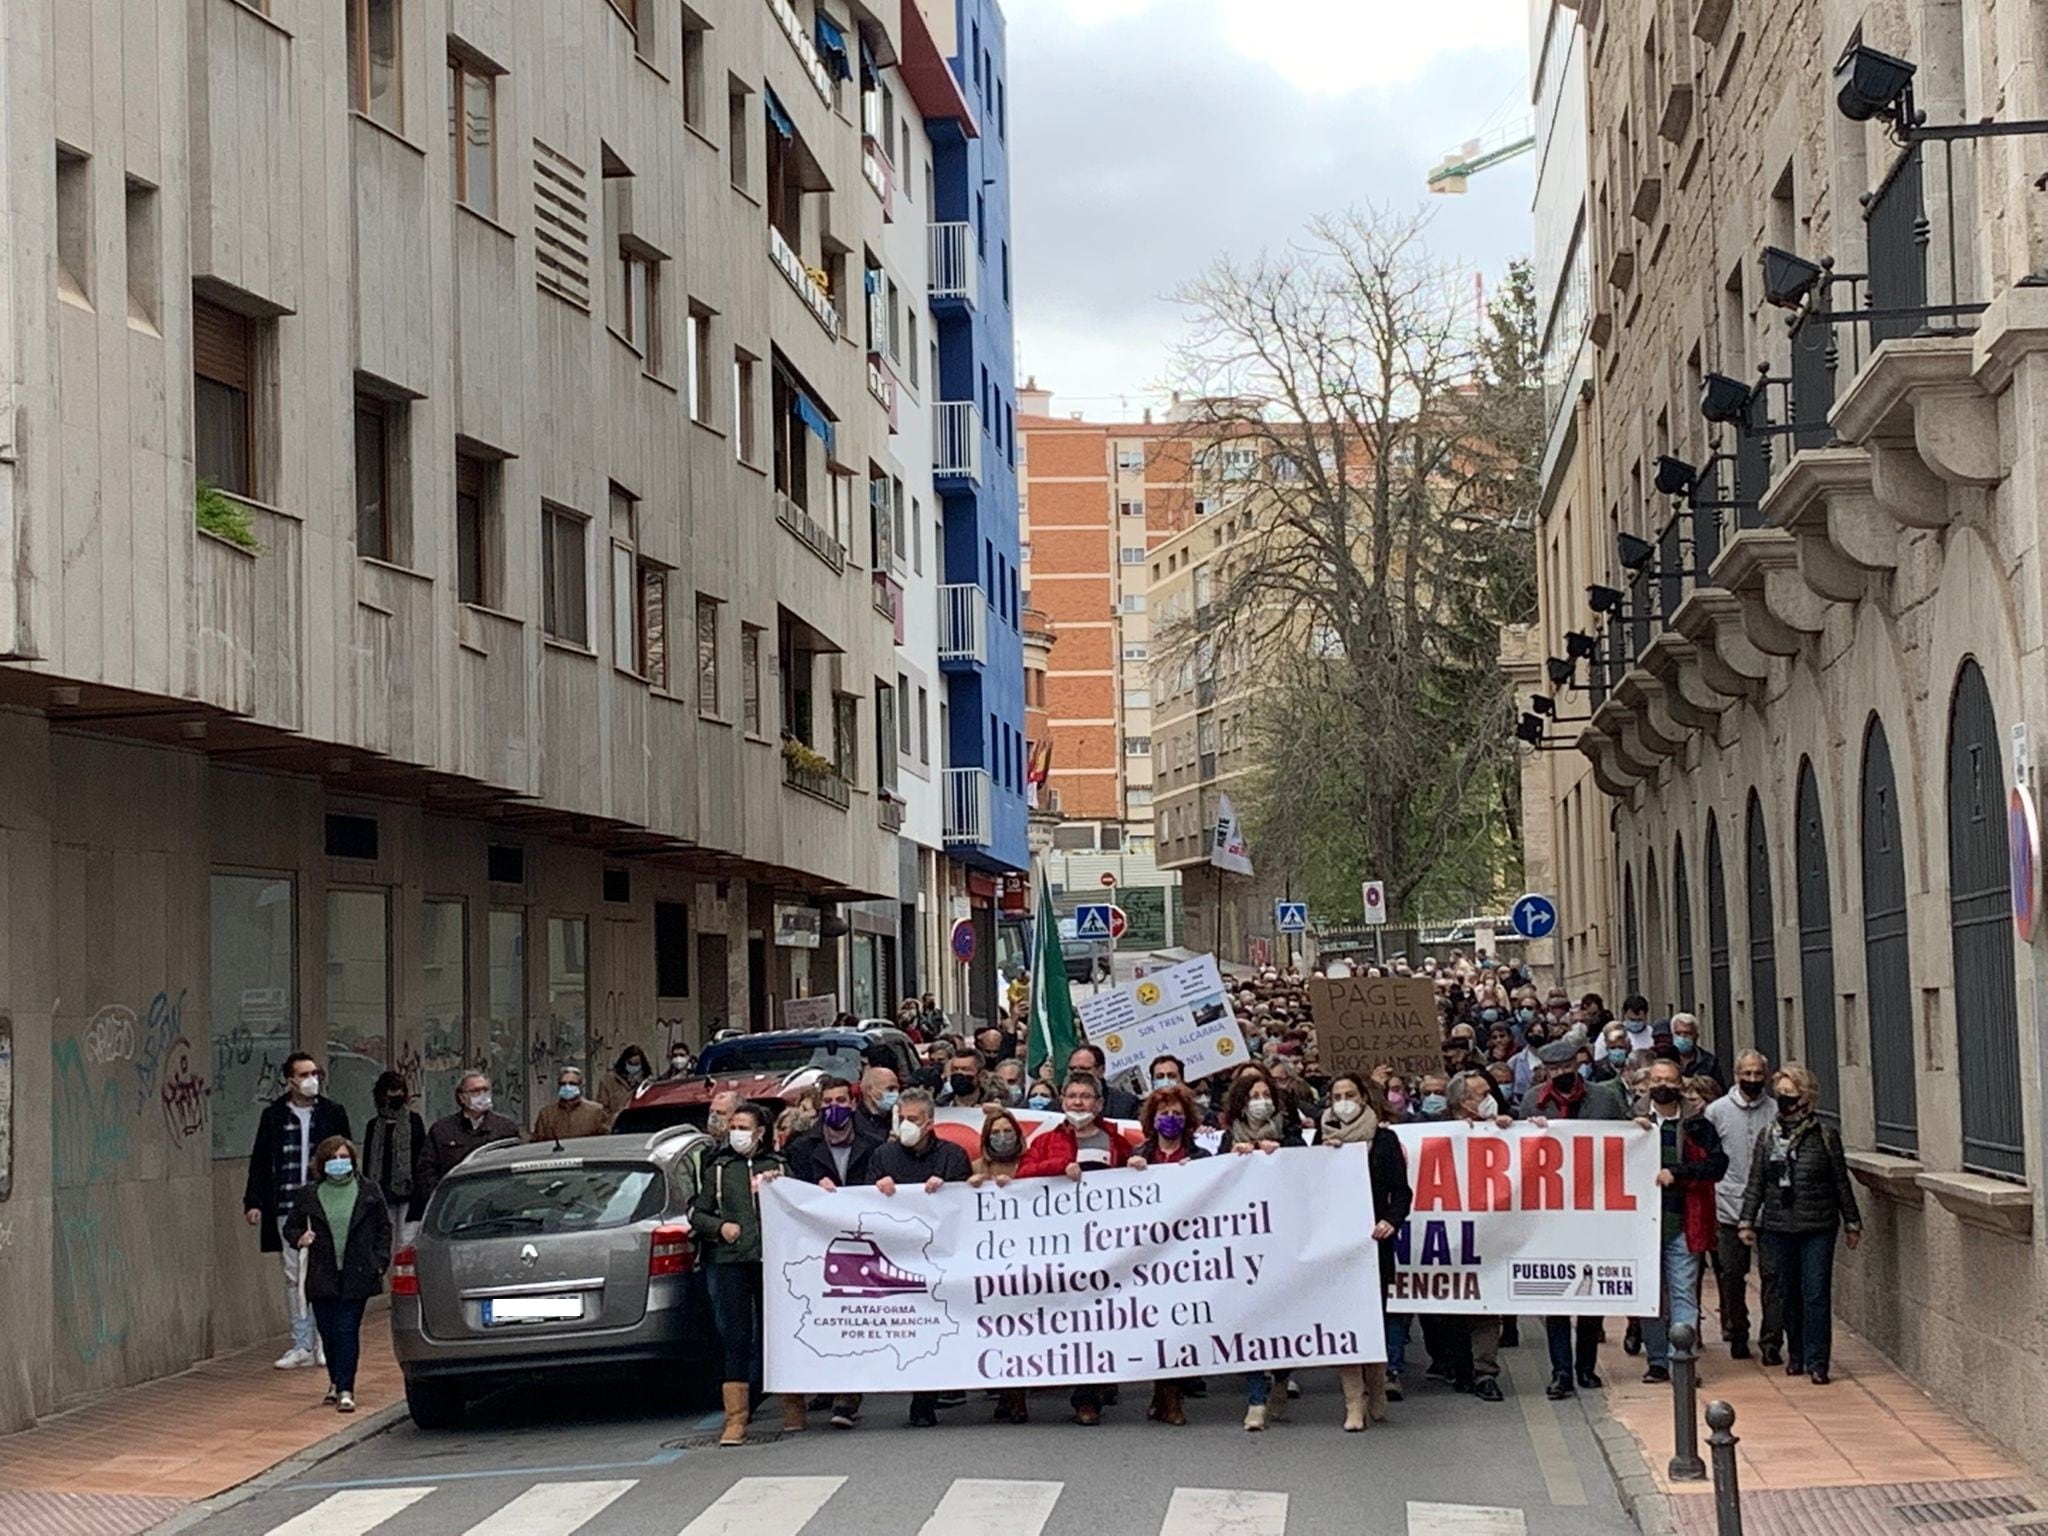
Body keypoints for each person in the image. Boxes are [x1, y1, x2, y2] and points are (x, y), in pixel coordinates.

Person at [1522, 1034, 1630, 1400]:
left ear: (1579, 1064)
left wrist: (1639, 1131)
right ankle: (1561, 1371)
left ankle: (1586, 1366)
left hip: (1593, 1210)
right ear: (1546, 1071)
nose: (1562, 1073)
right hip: (1550, 1214)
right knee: (1555, 1298)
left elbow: (1625, 1144)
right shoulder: (1531, 1101)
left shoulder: (1605, 1099)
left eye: (1568, 1067)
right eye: (1555, 1069)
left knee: (1590, 1293)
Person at [1739, 1066, 1861, 1385]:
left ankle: (1818, 1360)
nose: (1784, 1100)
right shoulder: (1768, 1136)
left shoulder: (1825, 1136)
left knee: (1816, 1292)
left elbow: (1840, 1181)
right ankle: (1796, 1354)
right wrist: (1747, 1220)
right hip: (1778, 1226)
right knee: (1787, 1292)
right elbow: (1757, 1182)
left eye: (1790, 1094)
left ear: (1806, 1097)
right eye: (1780, 1093)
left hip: (1817, 1224)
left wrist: (1852, 1221)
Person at [1016, 1073, 1128, 1424]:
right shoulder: (1047, 1140)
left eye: (1085, 1097)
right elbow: (1024, 1175)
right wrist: (1059, 1168)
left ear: (1098, 1103)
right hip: (1059, 1243)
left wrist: (1138, 1168)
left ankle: (1088, 1396)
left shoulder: (1115, 1141)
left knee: (1097, 1317)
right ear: (1062, 1101)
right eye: (1072, 1096)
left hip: (1104, 1243)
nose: (1078, 1103)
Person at [868, 1089, 972, 1426]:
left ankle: (939, 1391)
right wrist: (876, 1188)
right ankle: (920, 1396)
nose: (906, 1125)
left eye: (913, 1119)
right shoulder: (883, 1155)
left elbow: (968, 1203)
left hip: (943, 1254)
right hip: (900, 1256)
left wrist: (949, 1188)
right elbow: (859, 1204)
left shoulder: (952, 1156)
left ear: (929, 1122)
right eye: (902, 1119)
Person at [243, 1053, 352, 1369]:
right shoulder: (274, 1116)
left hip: (327, 1204)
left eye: (315, 1073)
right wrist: (254, 1202)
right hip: (288, 1205)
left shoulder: (332, 1113)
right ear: (289, 1080)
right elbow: (262, 1161)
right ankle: (301, 1341)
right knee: (294, 1276)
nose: (311, 1080)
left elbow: (347, 1157)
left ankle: (324, 1341)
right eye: (303, 1074)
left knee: (325, 1273)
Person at [690, 1104, 791, 1444]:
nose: (736, 1132)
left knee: (777, 1332)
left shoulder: (778, 1166)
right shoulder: (718, 1168)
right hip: (729, 1260)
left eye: (743, 1126)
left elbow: (799, 1206)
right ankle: (736, 1419)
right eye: (733, 1125)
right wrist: (720, 1228)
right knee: (736, 1336)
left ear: (761, 1131)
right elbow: (697, 1212)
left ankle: (793, 1405)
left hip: (771, 1260)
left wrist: (783, 1188)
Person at [1317, 1073, 1410, 1430]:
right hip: (1337, 1247)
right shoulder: (1320, 1144)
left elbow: (1401, 1192)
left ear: (1363, 1099)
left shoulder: (1384, 1140)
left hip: (1374, 1244)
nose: (1343, 1100)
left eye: (1350, 1094)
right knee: (1346, 1324)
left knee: (1374, 1321)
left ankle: (1377, 1386)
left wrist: (1391, 1220)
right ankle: (1353, 1402)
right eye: (1337, 1095)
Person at [282, 1135, 392, 1414]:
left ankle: (346, 1388)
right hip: (322, 1274)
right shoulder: (310, 1194)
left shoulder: (368, 1191)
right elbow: (290, 1227)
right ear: (322, 1163)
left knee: (346, 1330)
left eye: (344, 1157)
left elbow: (383, 1228)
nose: (339, 1163)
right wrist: (300, 1238)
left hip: (357, 1273)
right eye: (333, 1158)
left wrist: (379, 1262)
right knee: (329, 1332)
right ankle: (334, 1380)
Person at [1638, 1057, 1727, 1384]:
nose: (1663, 1086)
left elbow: (1717, 1166)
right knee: (1650, 1295)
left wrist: (1678, 1173)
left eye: (1669, 1080)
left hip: (1685, 1222)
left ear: (1681, 1085)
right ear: (1648, 1083)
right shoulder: (1630, 1121)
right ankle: (1657, 1360)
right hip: (1642, 1226)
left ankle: (1683, 1361)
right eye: (1657, 1079)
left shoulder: (1699, 1124)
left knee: (1683, 1294)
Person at [1703, 1052, 1776, 1361]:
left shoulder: (1774, 1110)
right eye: (1747, 1073)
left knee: (1773, 1276)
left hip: (1770, 1205)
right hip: (1728, 1205)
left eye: (1758, 1073)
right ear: (1735, 1075)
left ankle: (1772, 1340)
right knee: (1732, 1273)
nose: (1753, 1079)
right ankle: (1738, 1332)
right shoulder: (1716, 1111)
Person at [419, 1072, 521, 1203]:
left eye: (485, 1090)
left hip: (496, 1203)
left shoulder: (505, 1128)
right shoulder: (442, 1130)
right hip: (454, 1203)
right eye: (475, 1091)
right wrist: (439, 1198)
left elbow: (515, 1167)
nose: (482, 1095)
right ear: (462, 1097)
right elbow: (426, 1169)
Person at [362, 1070, 428, 1240]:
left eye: (400, 1090)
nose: (397, 1095)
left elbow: (421, 1157)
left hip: (408, 1190)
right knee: (384, 1237)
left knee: (406, 1240)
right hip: (382, 1190)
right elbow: (368, 1162)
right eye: (392, 1090)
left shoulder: (414, 1121)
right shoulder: (373, 1125)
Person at [1221, 1065, 1305, 1150]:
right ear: (1243, 1104)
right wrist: (1233, 1155)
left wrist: (1280, 1147)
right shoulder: (1230, 1137)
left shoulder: (1287, 1130)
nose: (1263, 1101)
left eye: (1267, 1095)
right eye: (1255, 1097)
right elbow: (1219, 1161)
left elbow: (1301, 1154)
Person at [532, 1067, 611, 1142]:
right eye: (563, 1084)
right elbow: (538, 1142)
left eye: (572, 1083)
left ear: (580, 1086)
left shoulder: (596, 1111)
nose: (567, 1087)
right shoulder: (546, 1114)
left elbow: (605, 1140)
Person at [1066, 1044, 1140, 1119]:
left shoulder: (1126, 1104)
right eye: (1072, 1069)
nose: (1077, 1073)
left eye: (1084, 1069)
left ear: (1101, 1070)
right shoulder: (1056, 1108)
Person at [1667, 1013, 1725, 1091]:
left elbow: (1719, 1091)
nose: (1682, 1037)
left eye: (1687, 1034)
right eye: (1678, 1033)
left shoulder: (1710, 1062)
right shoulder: (1665, 1060)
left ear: (1696, 1036)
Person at [972, 1108, 1027, 1186]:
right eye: (995, 1132)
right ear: (987, 1137)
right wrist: (968, 1185)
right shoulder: (976, 1168)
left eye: (1007, 1131)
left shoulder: (1029, 1163)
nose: (1002, 1136)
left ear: (1017, 1133)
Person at [597, 1045, 652, 1116]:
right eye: (630, 1063)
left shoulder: (647, 1083)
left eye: (636, 1064)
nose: (633, 1067)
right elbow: (602, 1108)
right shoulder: (609, 1081)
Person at [855, 1065, 901, 1140]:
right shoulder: (855, 1123)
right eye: (890, 1089)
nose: (896, 1094)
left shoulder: (898, 1117)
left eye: (897, 1089)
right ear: (869, 1089)